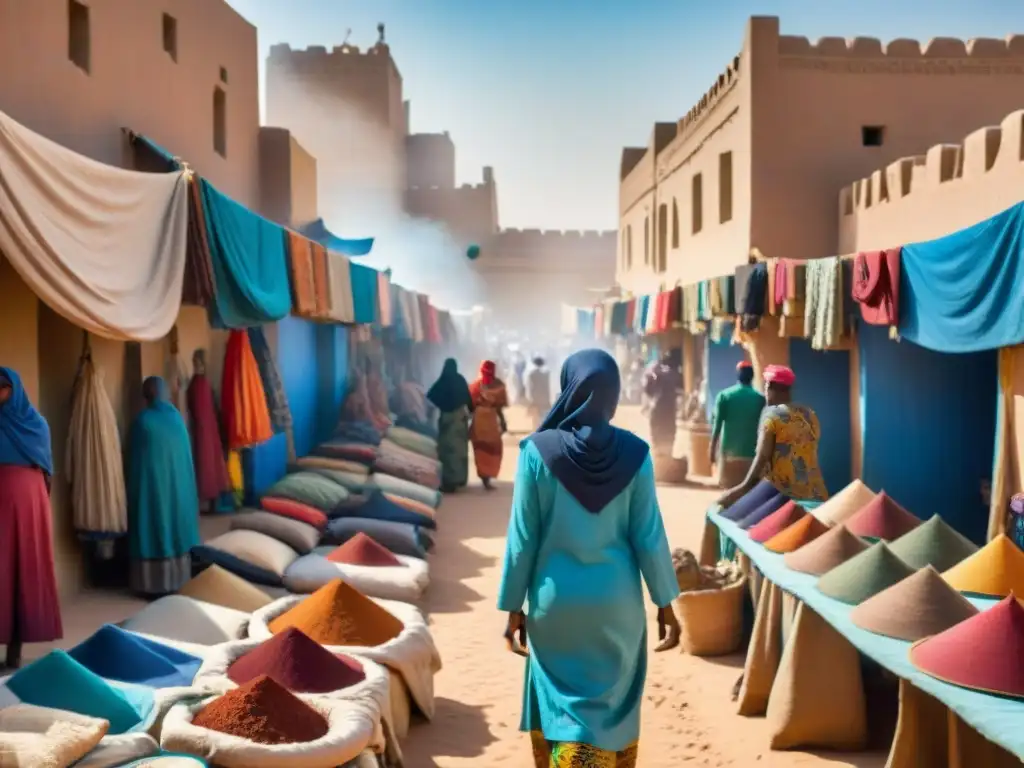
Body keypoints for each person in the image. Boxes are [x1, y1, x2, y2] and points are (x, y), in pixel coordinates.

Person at [498, 349, 680, 767]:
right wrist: (665, 602)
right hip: (617, 608)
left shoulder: (537, 453)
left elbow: (522, 539)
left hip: (555, 607)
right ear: (614, 394)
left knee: (562, 706)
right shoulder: (635, 454)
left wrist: (512, 608)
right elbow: (649, 536)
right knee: (613, 708)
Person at [0, 368, 63, 669]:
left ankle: (15, 650)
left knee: (22, 571)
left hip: (28, 508)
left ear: (16, 390)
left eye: (3, 389)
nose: (0, 395)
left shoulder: (37, 425)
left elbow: (46, 469)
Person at [126, 376, 201, 595]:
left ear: (146, 396)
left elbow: (135, 462)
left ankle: (149, 586)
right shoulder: (177, 419)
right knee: (173, 527)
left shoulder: (143, 422)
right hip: (177, 491)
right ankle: (178, 581)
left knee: (153, 526)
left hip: (152, 491)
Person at [717, 364, 828, 508]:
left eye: (766, 387)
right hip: (816, 494)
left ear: (771, 387)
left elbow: (762, 458)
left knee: (728, 515)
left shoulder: (771, 415)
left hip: (781, 495)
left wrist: (741, 489)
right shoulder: (809, 414)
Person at [709, 361, 766, 489]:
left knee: (728, 491)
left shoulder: (725, 396)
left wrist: (712, 451)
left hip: (729, 454)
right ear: (752, 376)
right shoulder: (760, 399)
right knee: (747, 493)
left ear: (737, 375)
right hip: (752, 456)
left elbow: (717, 426)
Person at [427, 359, 473, 493]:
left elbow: (431, 397)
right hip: (460, 419)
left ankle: (448, 481)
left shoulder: (442, 381)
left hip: (446, 419)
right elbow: (468, 399)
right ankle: (459, 479)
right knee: (459, 450)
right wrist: (471, 412)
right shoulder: (460, 380)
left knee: (446, 450)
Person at [469, 360, 508, 490]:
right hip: (491, 419)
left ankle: (483, 477)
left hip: (479, 420)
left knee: (480, 448)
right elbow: (500, 408)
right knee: (493, 448)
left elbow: (470, 406)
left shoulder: (475, 386)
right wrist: (503, 422)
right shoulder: (499, 385)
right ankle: (488, 476)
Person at [643, 351, 682, 457]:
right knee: (669, 432)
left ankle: (657, 456)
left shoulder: (653, 369)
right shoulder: (675, 373)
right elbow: (681, 389)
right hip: (670, 408)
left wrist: (653, 397)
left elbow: (647, 389)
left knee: (656, 432)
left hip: (656, 407)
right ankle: (668, 456)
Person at [524, 356, 552, 430]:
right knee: (544, 413)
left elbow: (530, 387)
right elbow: (548, 386)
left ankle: (536, 428)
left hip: (536, 396)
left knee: (536, 414)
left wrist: (530, 397)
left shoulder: (532, 374)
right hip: (545, 395)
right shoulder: (547, 373)